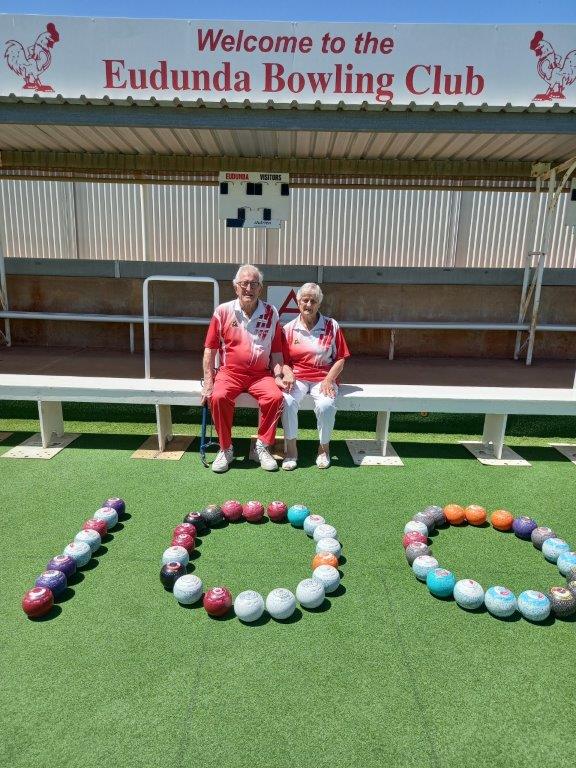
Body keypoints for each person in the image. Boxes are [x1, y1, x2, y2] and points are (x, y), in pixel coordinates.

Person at [201, 264, 292, 473]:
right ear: (236, 288)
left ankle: (263, 445)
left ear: (260, 288)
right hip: (229, 373)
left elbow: (276, 351)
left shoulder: (271, 312)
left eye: (253, 284)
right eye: (244, 284)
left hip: (261, 375)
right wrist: (208, 381)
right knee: (218, 397)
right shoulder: (222, 311)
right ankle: (226, 448)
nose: (248, 288)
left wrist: (278, 375)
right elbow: (210, 349)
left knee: (276, 397)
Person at [279, 282, 350, 470]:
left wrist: (329, 379)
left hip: (323, 377)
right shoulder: (288, 329)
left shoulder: (331, 325)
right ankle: (291, 451)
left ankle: (323, 449)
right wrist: (287, 372)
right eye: (305, 300)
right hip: (298, 377)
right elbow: (284, 361)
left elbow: (341, 358)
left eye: (313, 301)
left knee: (326, 405)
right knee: (286, 401)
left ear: (319, 303)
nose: (308, 305)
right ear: (297, 301)